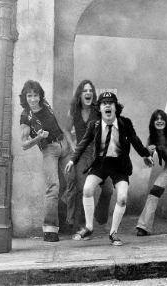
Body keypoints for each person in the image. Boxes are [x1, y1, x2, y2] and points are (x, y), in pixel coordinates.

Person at [65, 91, 154, 245]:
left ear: (115, 107)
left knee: (122, 198)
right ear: (99, 109)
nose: (107, 105)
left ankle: (113, 233)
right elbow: (83, 143)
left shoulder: (125, 123)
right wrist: (73, 160)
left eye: (110, 103)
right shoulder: (95, 125)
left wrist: (146, 154)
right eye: (103, 103)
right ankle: (89, 226)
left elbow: (135, 141)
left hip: (119, 166)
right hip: (100, 164)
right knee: (87, 189)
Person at [19, 80, 73, 242]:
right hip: (49, 150)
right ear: (25, 97)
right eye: (29, 96)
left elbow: (57, 124)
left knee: (75, 180)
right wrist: (38, 137)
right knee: (53, 187)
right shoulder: (25, 116)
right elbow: (24, 145)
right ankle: (50, 229)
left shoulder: (46, 104)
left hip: (64, 145)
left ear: (40, 96)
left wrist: (71, 144)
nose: (33, 99)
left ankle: (70, 220)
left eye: (36, 95)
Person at [63, 80, 113, 231]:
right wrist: (73, 147)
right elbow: (66, 130)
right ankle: (81, 225)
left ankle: (100, 214)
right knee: (81, 188)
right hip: (82, 153)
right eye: (84, 91)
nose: (88, 93)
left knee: (108, 188)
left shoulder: (98, 110)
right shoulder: (74, 111)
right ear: (80, 94)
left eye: (90, 90)